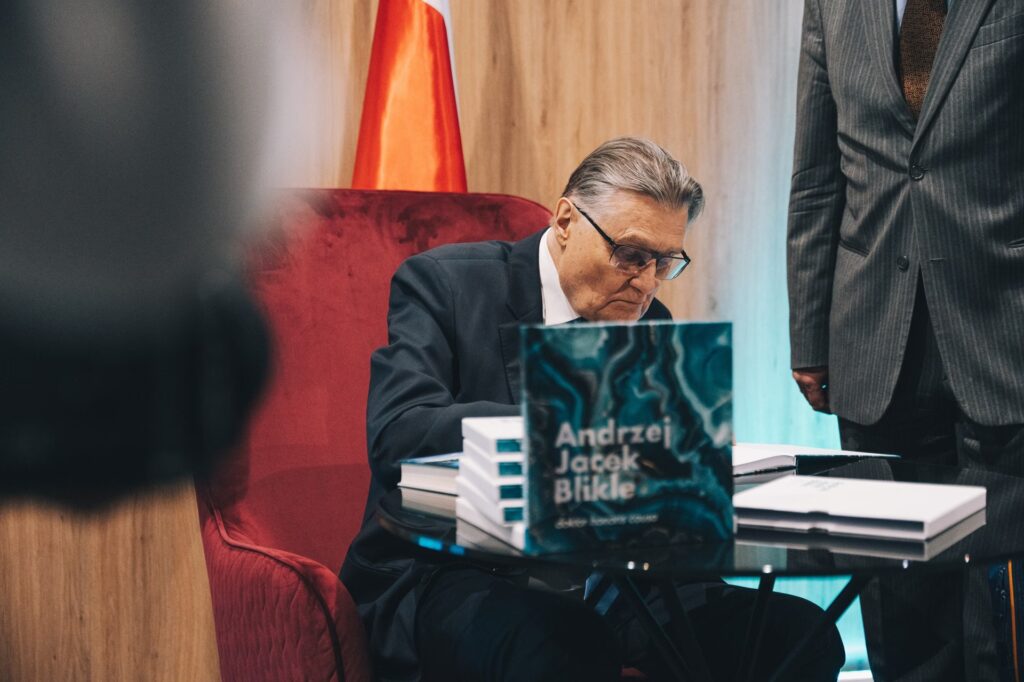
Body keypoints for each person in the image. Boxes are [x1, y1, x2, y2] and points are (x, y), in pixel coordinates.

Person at [342, 137, 845, 681]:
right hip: (459, 570)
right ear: (565, 221)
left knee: (801, 636)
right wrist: (563, 420)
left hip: (620, 582)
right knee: (562, 645)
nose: (646, 284)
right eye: (630, 255)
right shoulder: (448, 285)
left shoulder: (651, 323)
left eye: (665, 262)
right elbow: (397, 435)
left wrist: (697, 464)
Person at [787, 1, 1024, 679]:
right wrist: (809, 334)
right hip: (872, 337)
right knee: (897, 598)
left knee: (1000, 608)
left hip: (1005, 326)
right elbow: (815, 175)